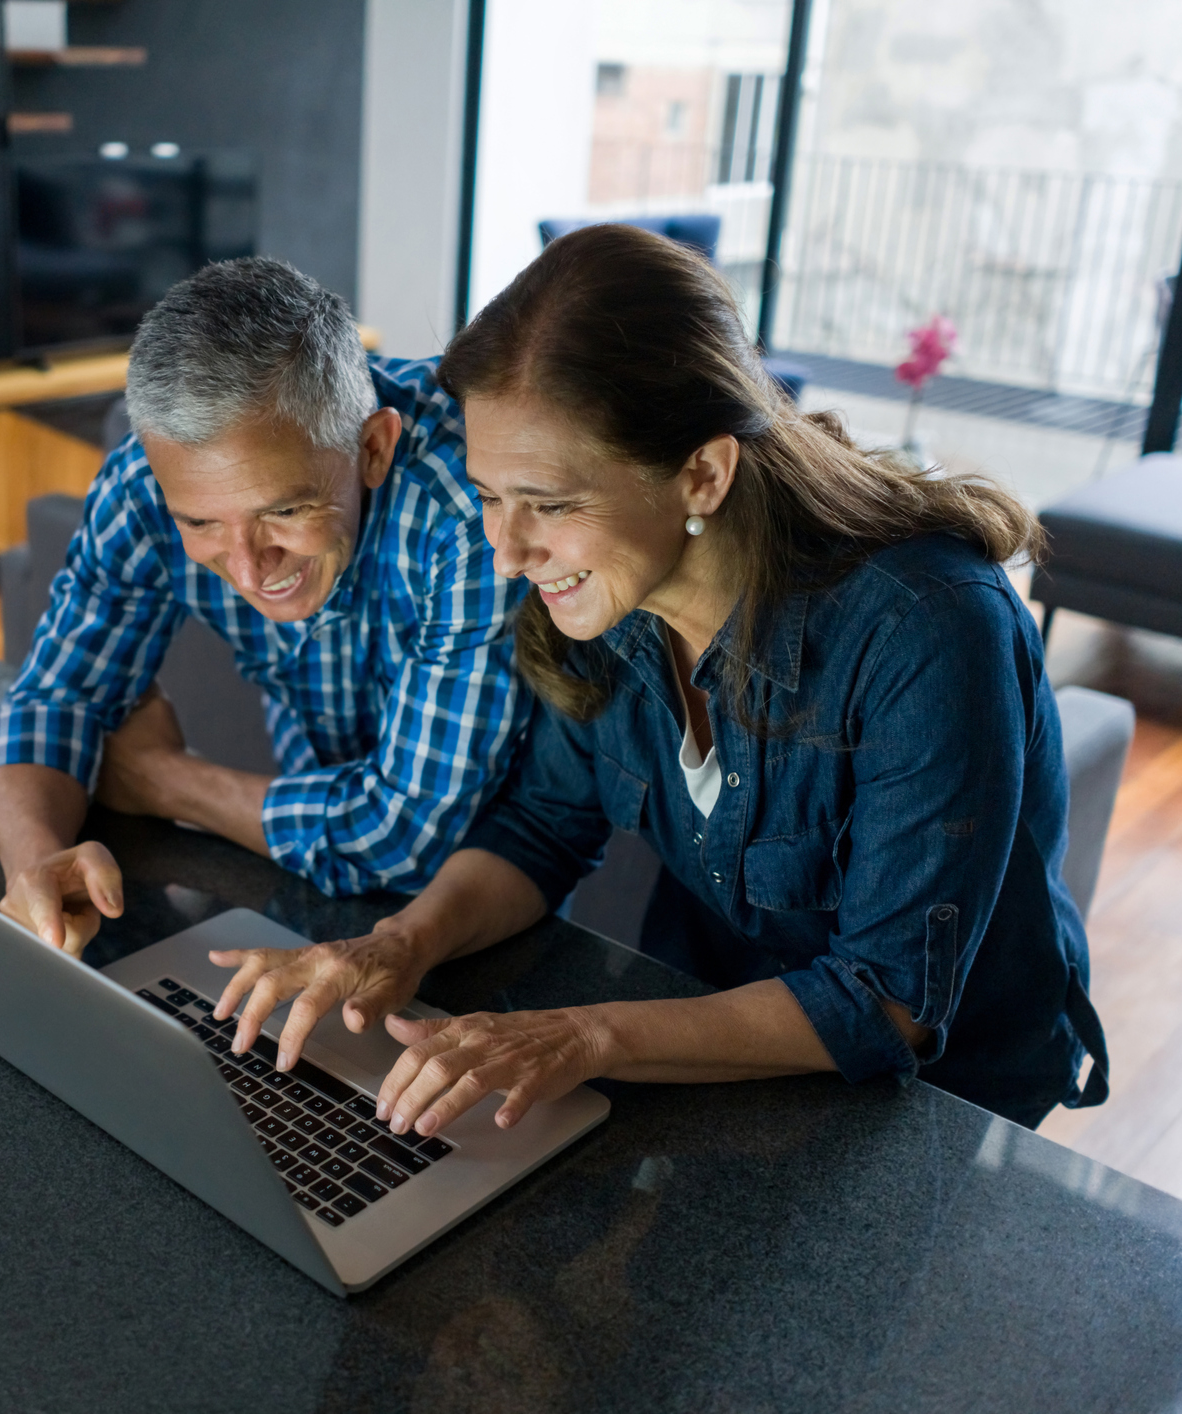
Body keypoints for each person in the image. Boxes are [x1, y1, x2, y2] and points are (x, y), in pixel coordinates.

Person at [206, 224, 1110, 1131]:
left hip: (943, 1112)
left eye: (551, 504)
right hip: (704, 1042)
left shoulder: (928, 624)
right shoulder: (600, 593)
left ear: (702, 475)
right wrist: (398, 944)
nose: (506, 551)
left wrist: (585, 1038)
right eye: (488, 495)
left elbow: (886, 1002)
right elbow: (541, 825)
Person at [0, 257, 528, 955]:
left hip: (500, 908)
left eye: (287, 509)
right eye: (200, 524)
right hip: (304, 872)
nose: (247, 567)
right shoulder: (145, 484)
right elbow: (50, 702)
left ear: (373, 448)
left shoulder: (471, 511)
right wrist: (35, 868)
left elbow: (401, 836)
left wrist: (162, 780)